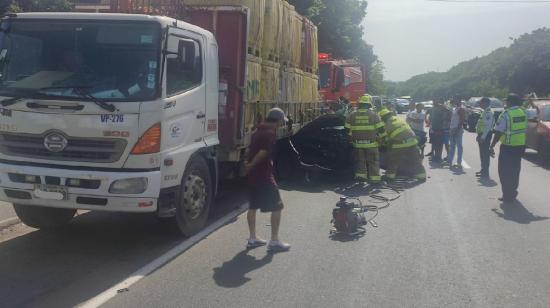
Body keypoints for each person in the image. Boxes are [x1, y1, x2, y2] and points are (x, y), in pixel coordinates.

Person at [245, 108, 291, 251]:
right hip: (264, 176)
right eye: (282, 121)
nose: (282, 124)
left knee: (252, 207)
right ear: (277, 121)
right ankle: (274, 241)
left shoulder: (256, 132)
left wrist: (248, 165)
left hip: (253, 176)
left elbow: (249, 150)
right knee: (278, 206)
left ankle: (252, 238)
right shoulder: (270, 134)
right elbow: (263, 152)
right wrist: (251, 164)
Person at [490, 93, 528, 202]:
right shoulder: (524, 112)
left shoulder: (506, 114)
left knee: (504, 171)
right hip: (520, 147)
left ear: (510, 102)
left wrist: (492, 146)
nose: (505, 103)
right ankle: (513, 191)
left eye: (507, 101)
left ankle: (507, 194)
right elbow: (536, 112)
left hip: (508, 147)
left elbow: (498, 132)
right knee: (515, 170)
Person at [345, 94, 385, 183]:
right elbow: (381, 129)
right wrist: (383, 140)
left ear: (360, 104)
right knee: (373, 161)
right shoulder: (374, 115)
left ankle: (361, 176)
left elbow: (346, 129)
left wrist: (349, 139)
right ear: (369, 104)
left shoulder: (352, 114)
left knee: (360, 161)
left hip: (357, 144)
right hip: (371, 144)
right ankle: (375, 179)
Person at [380, 109, 426, 182]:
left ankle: (390, 176)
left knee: (393, 160)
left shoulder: (386, 124)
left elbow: (385, 139)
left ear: (383, 118)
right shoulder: (399, 119)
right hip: (412, 142)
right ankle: (422, 176)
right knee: (415, 160)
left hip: (399, 144)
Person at [476, 97, 495, 178]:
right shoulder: (484, 111)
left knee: (485, 154)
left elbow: (487, 127)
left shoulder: (488, 112)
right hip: (483, 134)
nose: (479, 104)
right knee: (482, 154)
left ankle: (485, 172)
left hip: (486, 135)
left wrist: (482, 137)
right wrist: (479, 135)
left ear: (486, 103)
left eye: (481, 102)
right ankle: (483, 170)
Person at [447, 97, 467, 168]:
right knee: (452, 146)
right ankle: (449, 161)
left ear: (459, 100)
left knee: (459, 146)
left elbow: (462, 120)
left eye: (456, 99)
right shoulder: (455, 108)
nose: (454, 101)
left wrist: (458, 129)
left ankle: (459, 162)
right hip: (452, 129)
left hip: (457, 129)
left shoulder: (461, 109)